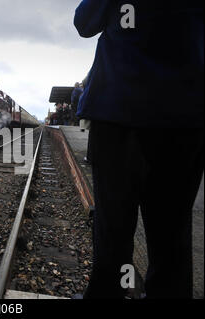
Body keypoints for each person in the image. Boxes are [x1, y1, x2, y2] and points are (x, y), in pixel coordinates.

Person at [74, 0, 203, 299]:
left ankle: (107, 293)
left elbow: (85, 23)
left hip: (122, 111)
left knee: (113, 225)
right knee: (172, 232)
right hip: (186, 113)